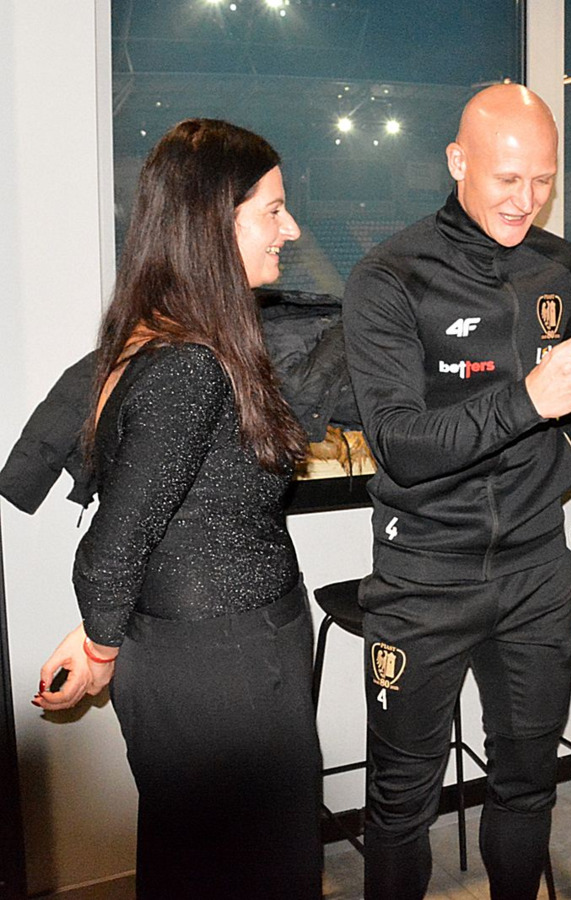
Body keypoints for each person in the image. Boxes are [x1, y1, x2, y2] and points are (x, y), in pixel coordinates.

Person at [343, 84, 571, 900]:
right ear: (457, 161)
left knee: (527, 786)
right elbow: (401, 446)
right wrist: (533, 400)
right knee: (402, 803)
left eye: (543, 180)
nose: (525, 199)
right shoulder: (388, 277)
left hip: (537, 570)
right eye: (507, 178)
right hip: (425, 578)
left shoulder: (565, 265)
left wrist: (569, 427)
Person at [33, 119, 322, 899]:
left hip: (209, 653)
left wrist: (99, 637)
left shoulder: (159, 340)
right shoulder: (189, 365)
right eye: (272, 210)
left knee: (200, 860)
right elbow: (112, 549)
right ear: (212, 223)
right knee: (256, 871)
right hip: (225, 669)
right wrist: (101, 645)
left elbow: (157, 519)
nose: (291, 229)